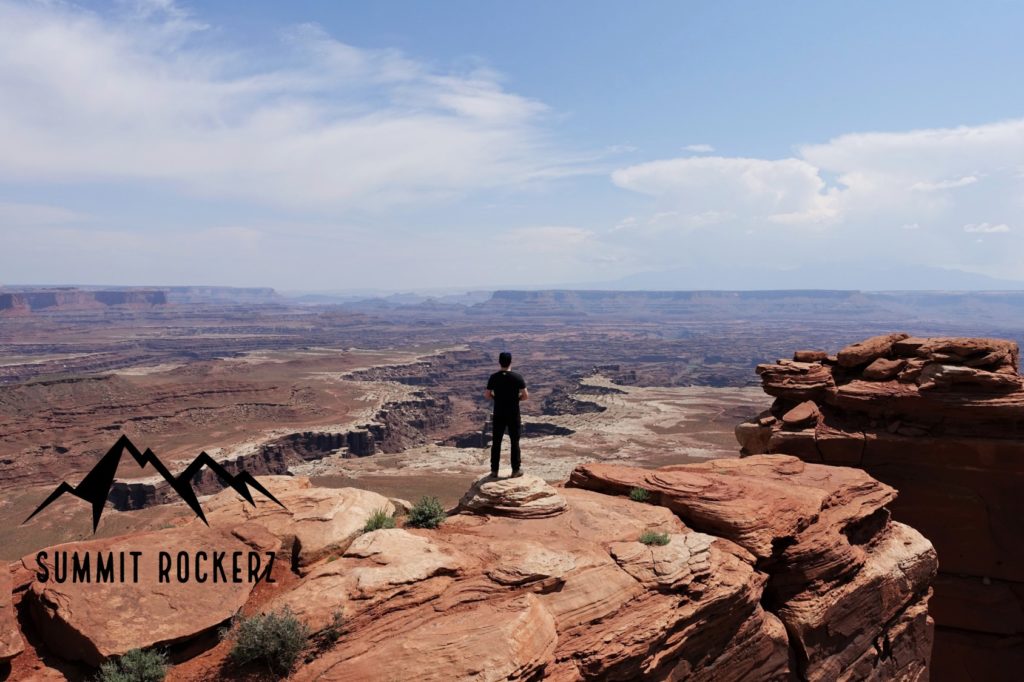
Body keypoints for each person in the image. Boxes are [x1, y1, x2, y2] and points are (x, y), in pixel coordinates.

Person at [484, 351, 528, 477]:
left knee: (496, 442)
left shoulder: (494, 377)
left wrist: (496, 397)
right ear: (511, 362)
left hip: (498, 413)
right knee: (515, 442)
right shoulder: (517, 377)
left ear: (499, 362)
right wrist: (516, 399)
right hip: (513, 414)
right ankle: (515, 470)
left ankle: (494, 471)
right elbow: (525, 396)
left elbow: (487, 395)